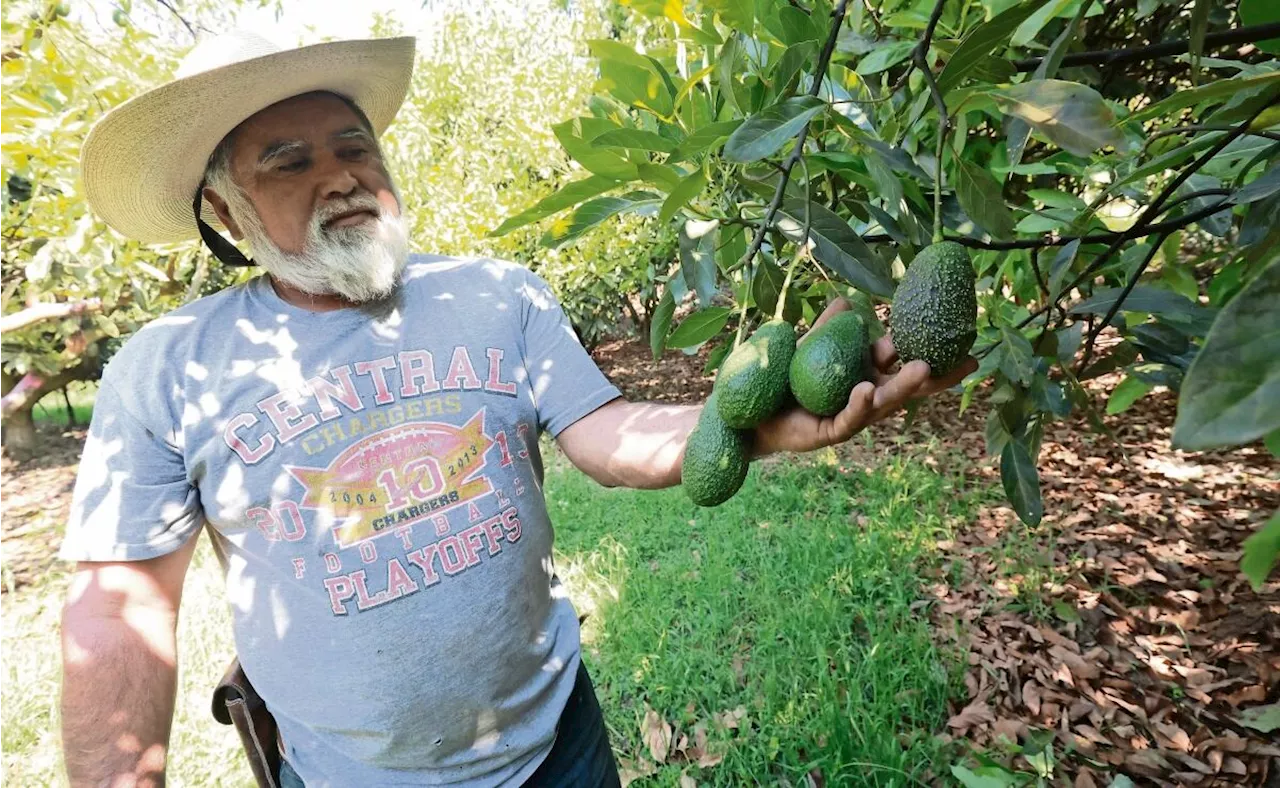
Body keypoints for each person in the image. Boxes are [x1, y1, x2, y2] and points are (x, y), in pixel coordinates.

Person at [58, 31, 974, 788]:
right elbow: (117, 610)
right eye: (288, 162)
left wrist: (751, 427)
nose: (337, 178)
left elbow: (603, 435)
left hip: (557, 750)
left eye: (354, 147)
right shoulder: (166, 368)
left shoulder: (499, 296)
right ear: (225, 207)